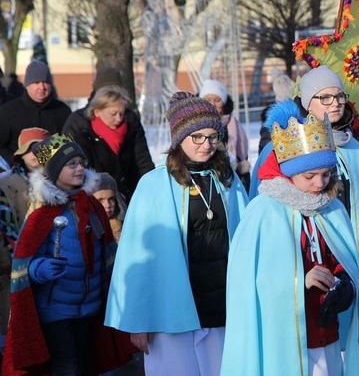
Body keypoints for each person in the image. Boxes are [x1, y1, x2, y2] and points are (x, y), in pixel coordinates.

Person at [222, 100, 359, 375]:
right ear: (288, 172)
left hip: (327, 334)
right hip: (283, 342)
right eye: (310, 175)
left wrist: (344, 282)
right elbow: (249, 283)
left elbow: (341, 258)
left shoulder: (331, 208)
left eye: (326, 174)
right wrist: (300, 281)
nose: (320, 184)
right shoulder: (263, 211)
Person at [105, 91, 250, 375]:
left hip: (222, 306)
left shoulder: (227, 180)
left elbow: (246, 237)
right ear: (179, 138)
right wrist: (139, 320)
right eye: (197, 137)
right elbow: (137, 255)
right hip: (172, 307)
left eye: (212, 137)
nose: (206, 145)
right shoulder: (154, 185)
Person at [250, 65, 359, 297]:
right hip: (307, 253)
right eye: (324, 97)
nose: (335, 102)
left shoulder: (354, 148)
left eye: (338, 96)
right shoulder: (286, 146)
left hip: (347, 252)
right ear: (307, 102)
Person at [3, 134, 132, 374]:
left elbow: (107, 252)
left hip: (89, 305)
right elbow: (25, 260)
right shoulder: (42, 213)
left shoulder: (91, 206)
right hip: (55, 308)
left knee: (84, 363)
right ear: (54, 170)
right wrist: (40, 269)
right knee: (67, 366)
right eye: (71, 164)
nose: (79, 168)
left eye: (81, 162)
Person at [62, 68, 154, 203]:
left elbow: (141, 161)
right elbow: (65, 161)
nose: (118, 119)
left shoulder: (130, 121)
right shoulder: (79, 122)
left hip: (124, 196)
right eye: (113, 114)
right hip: (91, 197)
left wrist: (150, 190)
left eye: (121, 114)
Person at [0, 128, 50, 348]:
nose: (34, 154)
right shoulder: (7, 183)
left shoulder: (60, 180)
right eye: (29, 149)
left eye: (39, 148)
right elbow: (7, 226)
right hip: (17, 260)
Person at [0, 61, 71, 165]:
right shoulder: (8, 111)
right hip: (17, 173)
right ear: (27, 85)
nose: (42, 87)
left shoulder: (62, 111)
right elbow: (1, 145)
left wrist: (43, 160)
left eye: (46, 82)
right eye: (36, 82)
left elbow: (66, 141)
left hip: (53, 172)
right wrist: (19, 163)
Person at [199, 79, 251, 188]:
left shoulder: (233, 124)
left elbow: (242, 156)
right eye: (207, 99)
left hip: (232, 179)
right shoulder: (195, 125)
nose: (212, 104)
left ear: (224, 102)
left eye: (217, 100)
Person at [90, 172, 127, 243]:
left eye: (111, 199)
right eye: (100, 200)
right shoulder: (87, 231)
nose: (108, 205)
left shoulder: (127, 226)